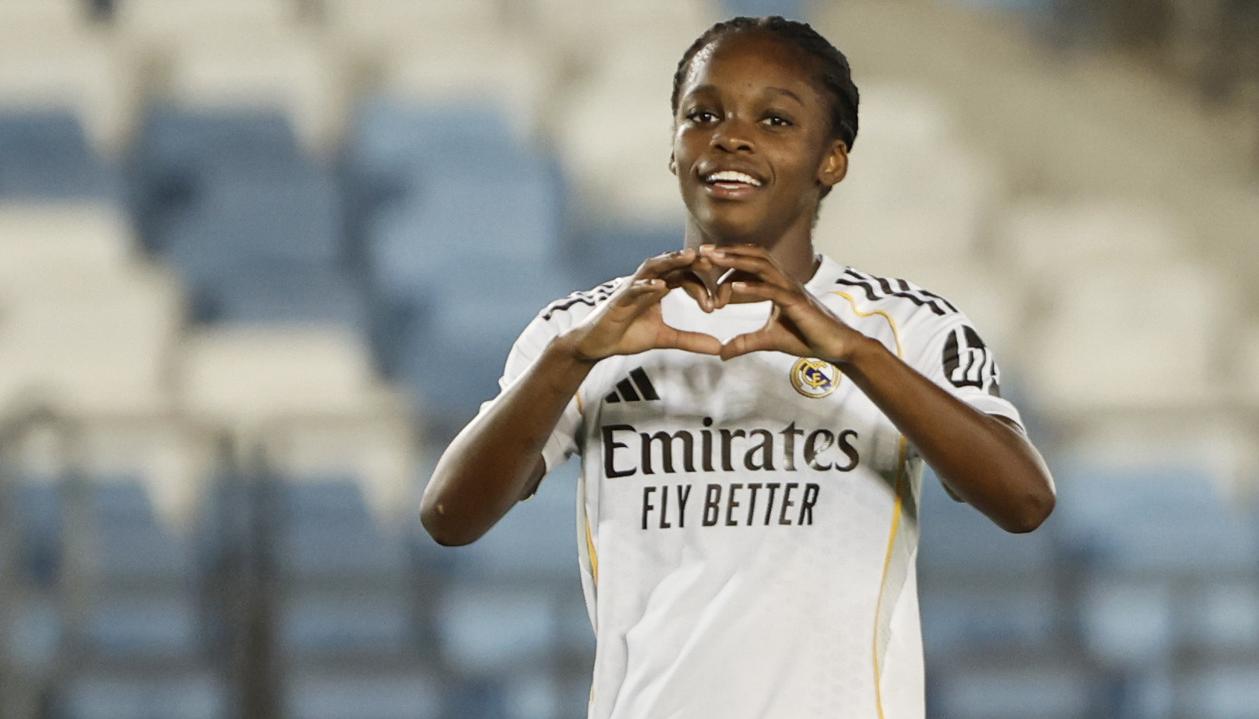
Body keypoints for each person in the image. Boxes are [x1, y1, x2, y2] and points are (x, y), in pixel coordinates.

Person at [421, 15, 1055, 719]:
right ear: (673, 148)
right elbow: (449, 516)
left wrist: (851, 351)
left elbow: (1023, 501)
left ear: (831, 160)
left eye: (776, 119)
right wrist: (571, 360)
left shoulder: (902, 327)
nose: (730, 135)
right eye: (702, 114)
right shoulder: (582, 331)